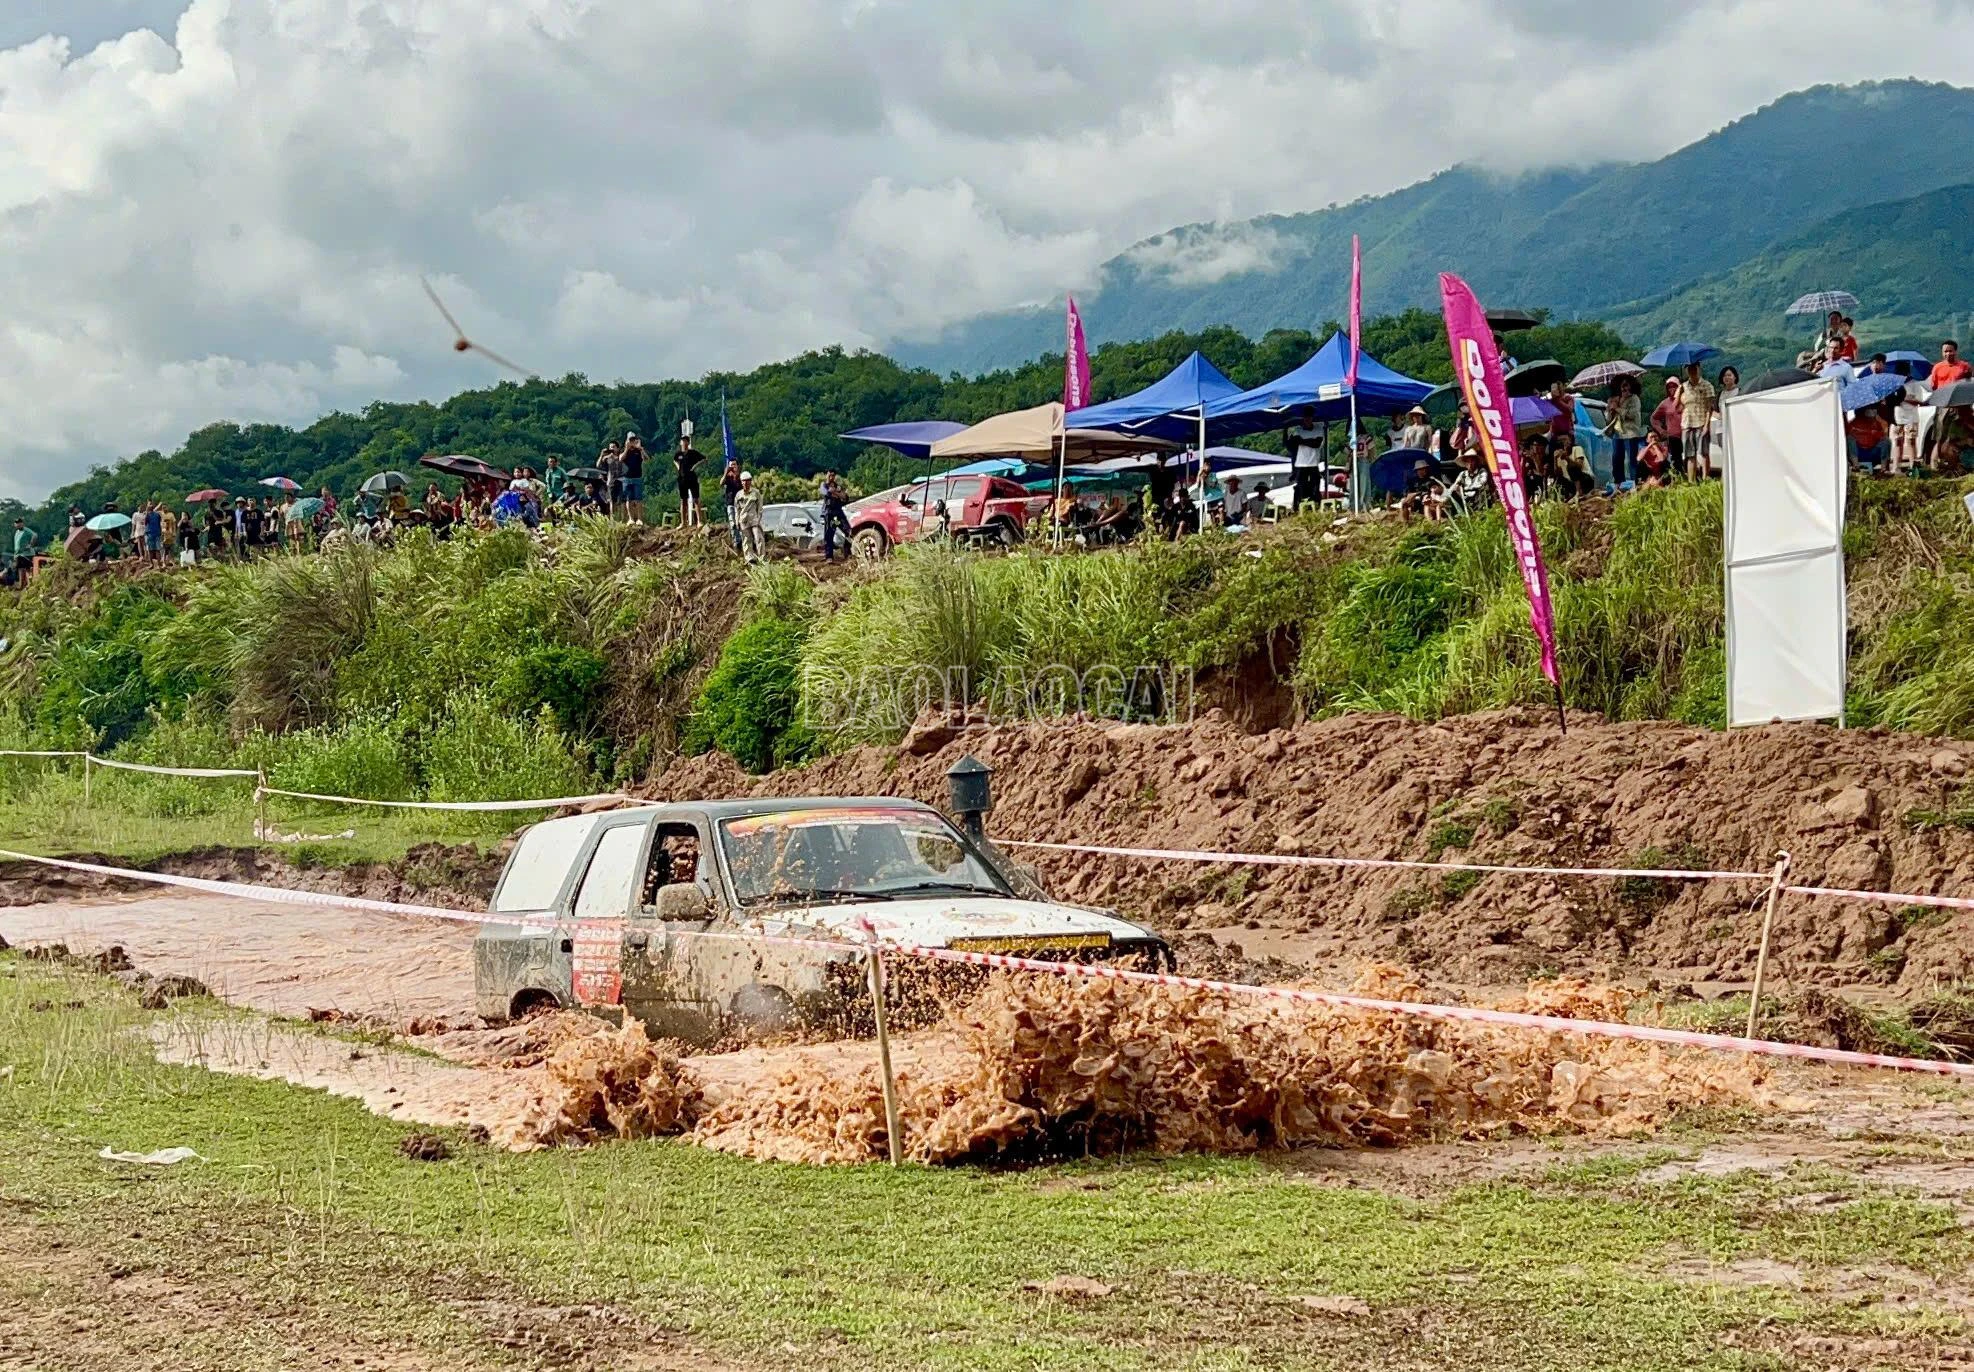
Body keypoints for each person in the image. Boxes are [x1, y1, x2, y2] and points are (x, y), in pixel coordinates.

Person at [1603, 376, 1645, 487]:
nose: (1623, 388)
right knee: (1616, 459)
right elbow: (1607, 419)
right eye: (1621, 386)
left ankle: (1634, 483)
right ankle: (1618, 483)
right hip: (1617, 433)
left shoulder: (1634, 399)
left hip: (1630, 433)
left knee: (1632, 460)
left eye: (1626, 385)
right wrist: (1611, 410)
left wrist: (1618, 409)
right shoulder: (1614, 399)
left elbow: (1632, 414)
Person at [1283, 406, 1325, 510]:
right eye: (1306, 417)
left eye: (1309, 417)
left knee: (1315, 487)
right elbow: (1294, 443)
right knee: (1301, 487)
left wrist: (1302, 441)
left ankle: (1316, 507)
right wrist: (1309, 441)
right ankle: (1301, 509)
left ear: (1312, 418)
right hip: (1301, 464)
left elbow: (1317, 443)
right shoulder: (1298, 430)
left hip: (1313, 463)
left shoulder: (1318, 429)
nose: (1307, 419)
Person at [1679, 363, 1716, 480]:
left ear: (1699, 369)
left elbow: (1710, 408)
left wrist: (1707, 425)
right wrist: (1678, 395)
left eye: (1694, 369)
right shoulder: (1683, 386)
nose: (1692, 371)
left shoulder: (1707, 385)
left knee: (1704, 452)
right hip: (1687, 423)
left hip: (1701, 422)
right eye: (1689, 369)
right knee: (1690, 454)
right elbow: (1679, 407)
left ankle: (1705, 478)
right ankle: (1691, 480)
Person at [1650, 377, 1683, 476]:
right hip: (1673, 436)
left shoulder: (1685, 400)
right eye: (1669, 387)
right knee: (1676, 459)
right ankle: (1677, 479)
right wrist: (1661, 430)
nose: (1672, 389)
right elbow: (1654, 418)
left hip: (1686, 433)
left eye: (1674, 386)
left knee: (1690, 457)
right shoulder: (1665, 403)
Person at [1848, 402, 1891, 472]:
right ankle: (1856, 466)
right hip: (1859, 453)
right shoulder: (1853, 423)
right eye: (1870, 408)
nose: (1873, 410)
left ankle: (1884, 468)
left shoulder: (1878, 423)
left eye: (1874, 408)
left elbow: (1882, 436)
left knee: (1886, 441)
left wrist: (1875, 433)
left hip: (1872, 452)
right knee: (1850, 439)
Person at [818, 471, 852, 560]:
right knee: (829, 535)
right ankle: (829, 556)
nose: (831, 477)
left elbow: (845, 497)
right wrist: (837, 494)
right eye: (830, 475)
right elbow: (826, 493)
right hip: (830, 514)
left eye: (833, 475)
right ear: (826, 475)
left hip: (838, 514)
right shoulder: (824, 485)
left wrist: (836, 493)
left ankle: (847, 553)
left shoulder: (838, 486)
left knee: (848, 531)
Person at [672, 437, 705, 528]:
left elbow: (704, 459)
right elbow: (674, 460)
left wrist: (695, 467)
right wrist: (678, 467)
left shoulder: (693, 453)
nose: (684, 443)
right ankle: (683, 523)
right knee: (683, 500)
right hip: (682, 479)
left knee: (696, 499)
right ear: (680, 442)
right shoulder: (678, 454)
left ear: (688, 442)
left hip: (692, 478)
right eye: (683, 441)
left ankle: (699, 521)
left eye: (686, 441)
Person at [734, 471, 765, 562]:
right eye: (743, 481)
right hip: (743, 519)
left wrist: (759, 519)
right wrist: (737, 522)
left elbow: (760, 507)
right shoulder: (739, 494)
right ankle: (749, 558)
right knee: (746, 540)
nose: (745, 483)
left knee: (758, 537)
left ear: (750, 481)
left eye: (747, 481)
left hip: (754, 519)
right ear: (741, 482)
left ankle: (762, 557)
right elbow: (737, 509)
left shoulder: (756, 493)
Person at [621, 432, 648, 524]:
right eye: (630, 440)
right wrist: (626, 448)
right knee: (629, 499)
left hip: (637, 477)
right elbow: (621, 459)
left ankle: (640, 518)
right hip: (627, 478)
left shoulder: (638, 451)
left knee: (638, 499)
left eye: (633, 440)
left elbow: (646, 459)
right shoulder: (626, 451)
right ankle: (631, 518)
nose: (632, 442)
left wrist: (641, 449)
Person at [720, 460, 744, 551]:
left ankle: (743, 539)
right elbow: (721, 483)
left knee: (741, 522)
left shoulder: (741, 477)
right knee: (733, 523)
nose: (733, 467)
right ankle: (736, 541)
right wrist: (726, 472)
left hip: (740, 503)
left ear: (738, 466)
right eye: (731, 465)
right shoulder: (728, 477)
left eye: (734, 465)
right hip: (730, 503)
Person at [11, 518, 36, 583]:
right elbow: (16, 544)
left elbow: (34, 535)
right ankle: (23, 584)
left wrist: (30, 545)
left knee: (25, 568)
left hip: (26, 554)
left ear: (22, 523)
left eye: (19, 522)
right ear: (14, 524)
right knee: (20, 568)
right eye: (16, 523)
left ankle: (28, 582)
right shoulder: (17, 532)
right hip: (18, 554)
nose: (18, 524)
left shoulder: (26, 530)